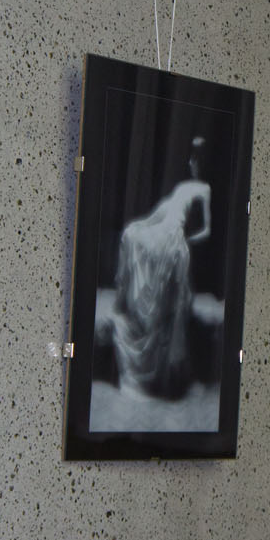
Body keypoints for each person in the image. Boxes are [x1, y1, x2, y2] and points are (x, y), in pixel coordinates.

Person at [110, 136, 213, 398]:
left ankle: (156, 356)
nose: (194, 163)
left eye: (199, 158)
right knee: (131, 234)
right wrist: (143, 225)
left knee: (163, 288)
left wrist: (185, 240)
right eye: (193, 157)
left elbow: (206, 230)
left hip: (174, 239)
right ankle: (136, 313)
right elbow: (161, 213)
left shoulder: (204, 189)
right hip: (163, 233)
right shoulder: (182, 187)